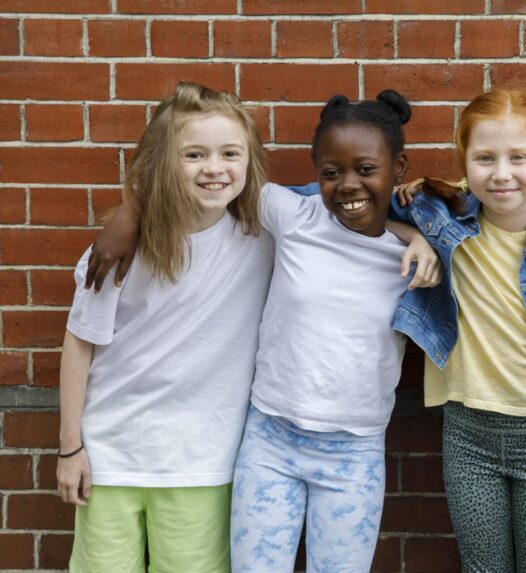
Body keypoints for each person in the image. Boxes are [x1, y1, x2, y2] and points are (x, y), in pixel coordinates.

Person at [82, 88, 441, 573]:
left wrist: (419, 235)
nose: (348, 184)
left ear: (398, 169)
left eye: (366, 170)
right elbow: (211, 182)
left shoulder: (416, 256)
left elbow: (480, 210)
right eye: (331, 173)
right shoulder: (293, 217)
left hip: (354, 451)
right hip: (271, 439)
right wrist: (132, 212)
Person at [57, 81, 274, 573]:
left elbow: (352, 211)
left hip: (202, 461)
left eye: (229, 153)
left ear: (249, 162)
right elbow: (79, 343)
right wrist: (71, 447)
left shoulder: (264, 237)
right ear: (162, 164)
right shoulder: (117, 253)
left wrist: (414, 231)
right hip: (110, 456)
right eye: (193, 154)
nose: (214, 168)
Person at [392, 87, 526, 572]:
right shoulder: (439, 217)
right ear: (463, 162)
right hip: (469, 434)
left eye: (519, 157)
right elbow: (356, 202)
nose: (502, 173)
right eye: (485, 158)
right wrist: (417, 239)